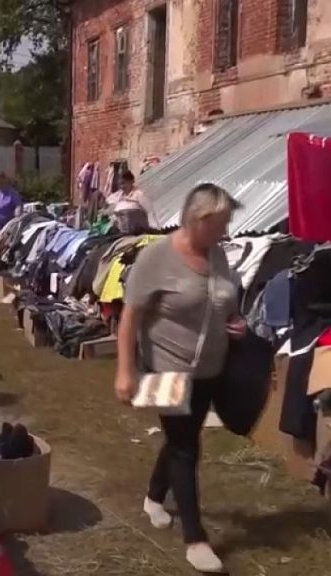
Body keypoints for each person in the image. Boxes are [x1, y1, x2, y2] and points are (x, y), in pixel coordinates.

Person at [113, 183, 244, 574]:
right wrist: (125, 370)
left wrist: (236, 324)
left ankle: (154, 497)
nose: (225, 230)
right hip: (167, 368)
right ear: (197, 220)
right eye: (220, 223)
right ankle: (195, 538)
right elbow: (130, 317)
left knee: (180, 439)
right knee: (186, 448)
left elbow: (226, 304)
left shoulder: (218, 256)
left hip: (210, 370)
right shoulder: (156, 257)